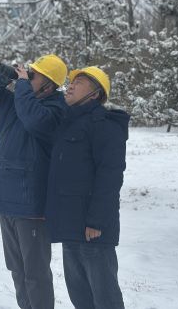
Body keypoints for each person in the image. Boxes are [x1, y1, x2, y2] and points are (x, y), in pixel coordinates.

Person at [0, 54, 68, 309]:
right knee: (17, 269)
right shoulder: (16, 102)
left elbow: (34, 119)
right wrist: (4, 74)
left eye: (34, 75)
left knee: (35, 272)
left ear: (49, 85)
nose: (28, 76)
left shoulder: (56, 109)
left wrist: (21, 85)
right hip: (6, 200)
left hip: (31, 206)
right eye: (29, 72)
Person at [45, 66, 129, 309]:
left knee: (105, 299)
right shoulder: (68, 123)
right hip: (70, 226)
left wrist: (97, 221)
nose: (70, 86)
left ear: (95, 94)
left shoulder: (105, 125)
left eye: (79, 83)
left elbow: (110, 176)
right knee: (80, 297)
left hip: (93, 230)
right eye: (71, 82)